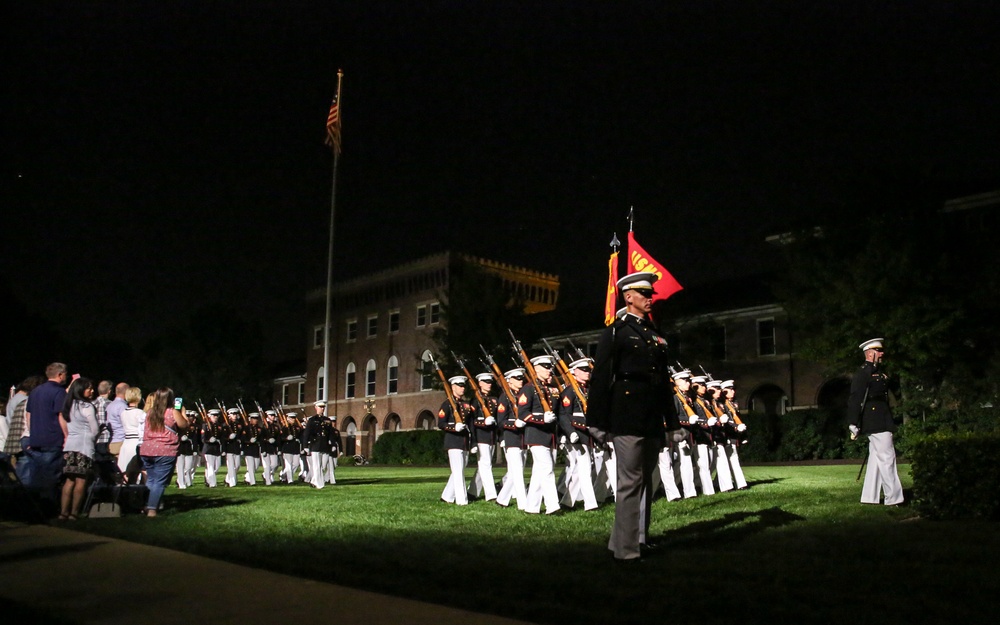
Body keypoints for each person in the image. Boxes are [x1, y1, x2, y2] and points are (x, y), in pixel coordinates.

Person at [589, 272, 678, 563]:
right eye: (644, 293)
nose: (650, 298)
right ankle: (626, 552)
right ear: (628, 297)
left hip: (651, 414)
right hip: (626, 413)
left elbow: (663, 381)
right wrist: (597, 421)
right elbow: (601, 377)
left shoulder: (653, 335)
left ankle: (637, 538)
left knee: (646, 482)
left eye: (650, 293)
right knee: (629, 482)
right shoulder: (616, 332)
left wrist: (672, 422)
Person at [848, 338, 903, 506]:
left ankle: (869, 497)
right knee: (887, 457)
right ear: (870, 354)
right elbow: (856, 398)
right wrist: (853, 422)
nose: (882, 353)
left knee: (876, 459)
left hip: (879, 417)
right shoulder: (863, 373)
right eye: (878, 351)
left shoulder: (877, 372)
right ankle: (893, 498)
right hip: (875, 419)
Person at [520, 354, 561, 515]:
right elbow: (522, 413)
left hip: (550, 436)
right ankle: (553, 506)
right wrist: (541, 418)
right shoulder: (528, 389)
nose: (549, 370)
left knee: (539, 472)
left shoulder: (552, 389)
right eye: (545, 367)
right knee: (547, 469)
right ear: (536, 369)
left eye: (550, 367)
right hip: (536, 434)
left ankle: (532, 507)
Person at [139, 388, 190, 516]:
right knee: (159, 481)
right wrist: (182, 412)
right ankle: (152, 509)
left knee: (151, 480)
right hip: (165, 450)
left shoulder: (150, 412)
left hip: (147, 449)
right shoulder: (172, 412)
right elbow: (184, 425)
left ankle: (147, 505)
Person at [557, 357, 599, 511]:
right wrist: (570, 432)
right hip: (577, 433)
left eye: (588, 370)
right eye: (583, 370)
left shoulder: (588, 389)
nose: (587, 372)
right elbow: (564, 415)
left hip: (588, 433)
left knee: (581, 469)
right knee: (585, 467)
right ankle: (590, 504)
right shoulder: (570, 391)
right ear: (574, 372)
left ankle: (567, 502)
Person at [24, 362, 70, 504]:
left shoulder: (35, 391)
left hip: (36, 438)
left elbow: (28, 415)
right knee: (51, 476)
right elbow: (61, 415)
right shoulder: (59, 392)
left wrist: (33, 433)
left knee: (36, 475)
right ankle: (48, 505)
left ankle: (34, 505)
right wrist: (67, 436)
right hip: (53, 438)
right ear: (60, 375)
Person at [58, 377, 99, 520]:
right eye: (89, 388)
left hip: (70, 445)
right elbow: (94, 429)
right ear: (81, 390)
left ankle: (63, 512)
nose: (92, 391)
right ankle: (74, 512)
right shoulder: (87, 406)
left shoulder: (68, 406)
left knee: (69, 480)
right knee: (81, 480)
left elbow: (64, 425)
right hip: (84, 446)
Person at [494, 368, 528, 509]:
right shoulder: (504, 397)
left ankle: (502, 499)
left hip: (523, 438)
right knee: (518, 471)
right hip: (512, 437)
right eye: (517, 379)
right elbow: (501, 421)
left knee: (516, 471)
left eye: (521, 379)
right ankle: (523, 503)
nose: (520, 381)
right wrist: (514, 423)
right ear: (509, 381)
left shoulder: (522, 396)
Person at [438, 375, 472, 506]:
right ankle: (462, 500)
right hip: (453, 441)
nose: (462, 388)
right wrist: (453, 427)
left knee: (459, 471)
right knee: (458, 472)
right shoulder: (446, 404)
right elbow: (441, 423)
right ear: (452, 387)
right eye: (459, 386)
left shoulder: (465, 404)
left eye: (463, 386)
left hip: (464, 442)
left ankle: (447, 496)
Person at [468, 372, 499, 502]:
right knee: (486, 464)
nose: (488, 384)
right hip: (481, 436)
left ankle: (472, 492)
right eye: (486, 382)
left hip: (491, 436)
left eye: (490, 382)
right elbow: (471, 421)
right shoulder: (475, 400)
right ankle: (491, 494)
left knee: (484, 465)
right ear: (480, 384)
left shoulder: (493, 399)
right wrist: (482, 423)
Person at [4, 376, 44, 473]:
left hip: (15, 436)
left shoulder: (15, 398)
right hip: (22, 436)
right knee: (26, 469)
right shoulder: (24, 400)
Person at [117, 386, 146, 477]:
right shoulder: (140, 413)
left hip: (126, 443)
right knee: (138, 470)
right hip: (136, 442)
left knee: (125, 471)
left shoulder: (123, 413)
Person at [201, 409, 223, 487]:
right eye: (214, 416)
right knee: (210, 466)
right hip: (208, 448)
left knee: (217, 466)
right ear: (210, 416)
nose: (215, 417)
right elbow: (203, 438)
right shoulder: (205, 425)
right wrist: (209, 440)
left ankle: (207, 477)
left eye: (217, 416)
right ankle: (212, 483)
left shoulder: (219, 425)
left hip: (216, 448)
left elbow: (221, 437)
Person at [106, 382, 129, 457]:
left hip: (112, 440)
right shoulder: (122, 406)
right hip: (120, 442)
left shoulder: (110, 405)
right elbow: (126, 424)